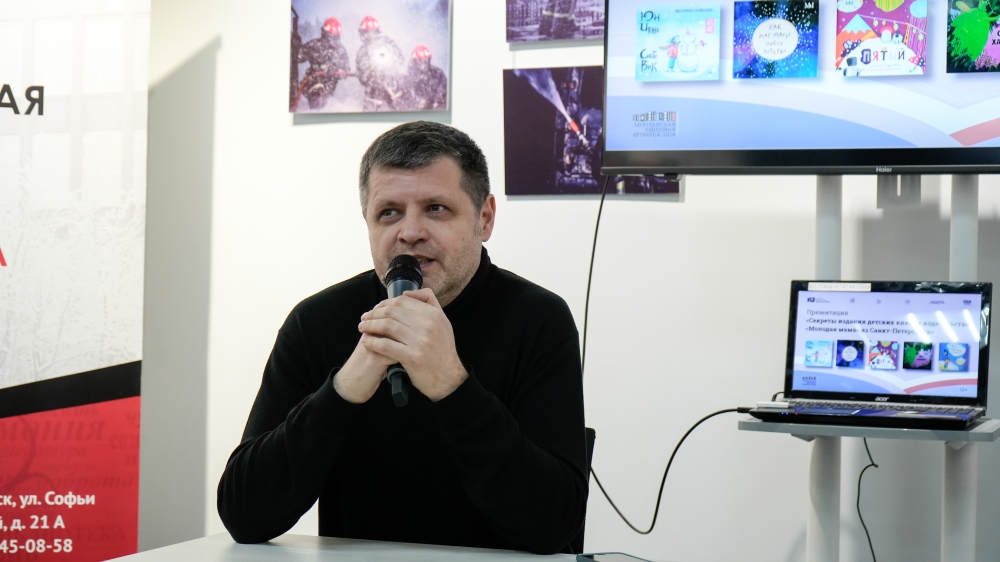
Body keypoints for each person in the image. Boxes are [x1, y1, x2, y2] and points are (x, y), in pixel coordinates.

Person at [217, 121, 588, 554]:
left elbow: (554, 524)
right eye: (389, 212)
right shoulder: (316, 321)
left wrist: (451, 385)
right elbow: (245, 515)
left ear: (484, 218)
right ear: (368, 223)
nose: (410, 232)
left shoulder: (539, 319)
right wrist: (342, 390)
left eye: (436, 209)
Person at [295, 17, 351, 111]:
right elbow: (298, 57)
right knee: (317, 98)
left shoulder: (341, 50)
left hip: (330, 86)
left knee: (331, 103)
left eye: (334, 30)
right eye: (330, 29)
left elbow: (346, 70)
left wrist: (340, 72)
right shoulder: (314, 45)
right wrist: (295, 47)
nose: (332, 34)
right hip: (312, 82)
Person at [355, 15, 405, 111]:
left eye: (369, 32)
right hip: (373, 88)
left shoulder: (388, 43)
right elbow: (361, 73)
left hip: (392, 84)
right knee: (369, 110)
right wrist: (370, 76)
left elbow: (400, 58)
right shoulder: (362, 51)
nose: (367, 35)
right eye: (365, 33)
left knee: (400, 108)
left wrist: (391, 67)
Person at [400, 45, 448, 111]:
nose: (424, 63)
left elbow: (443, 91)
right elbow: (407, 93)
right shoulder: (409, 77)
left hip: (434, 107)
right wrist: (417, 101)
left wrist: (436, 101)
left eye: (426, 60)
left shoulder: (438, 73)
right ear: (415, 61)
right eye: (421, 60)